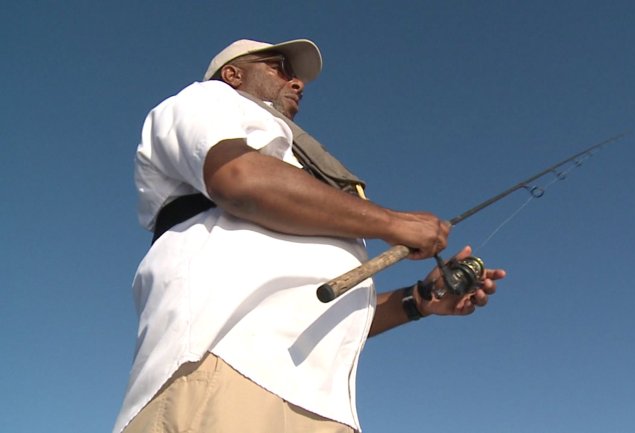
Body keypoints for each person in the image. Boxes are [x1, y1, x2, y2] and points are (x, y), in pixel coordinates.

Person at [113, 38, 505, 433]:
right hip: (225, 370)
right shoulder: (207, 100)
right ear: (232, 74)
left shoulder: (291, 163)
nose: (297, 82)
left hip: (324, 409)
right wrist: (392, 223)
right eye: (279, 67)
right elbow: (240, 180)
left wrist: (419, 300)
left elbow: (323, 314)